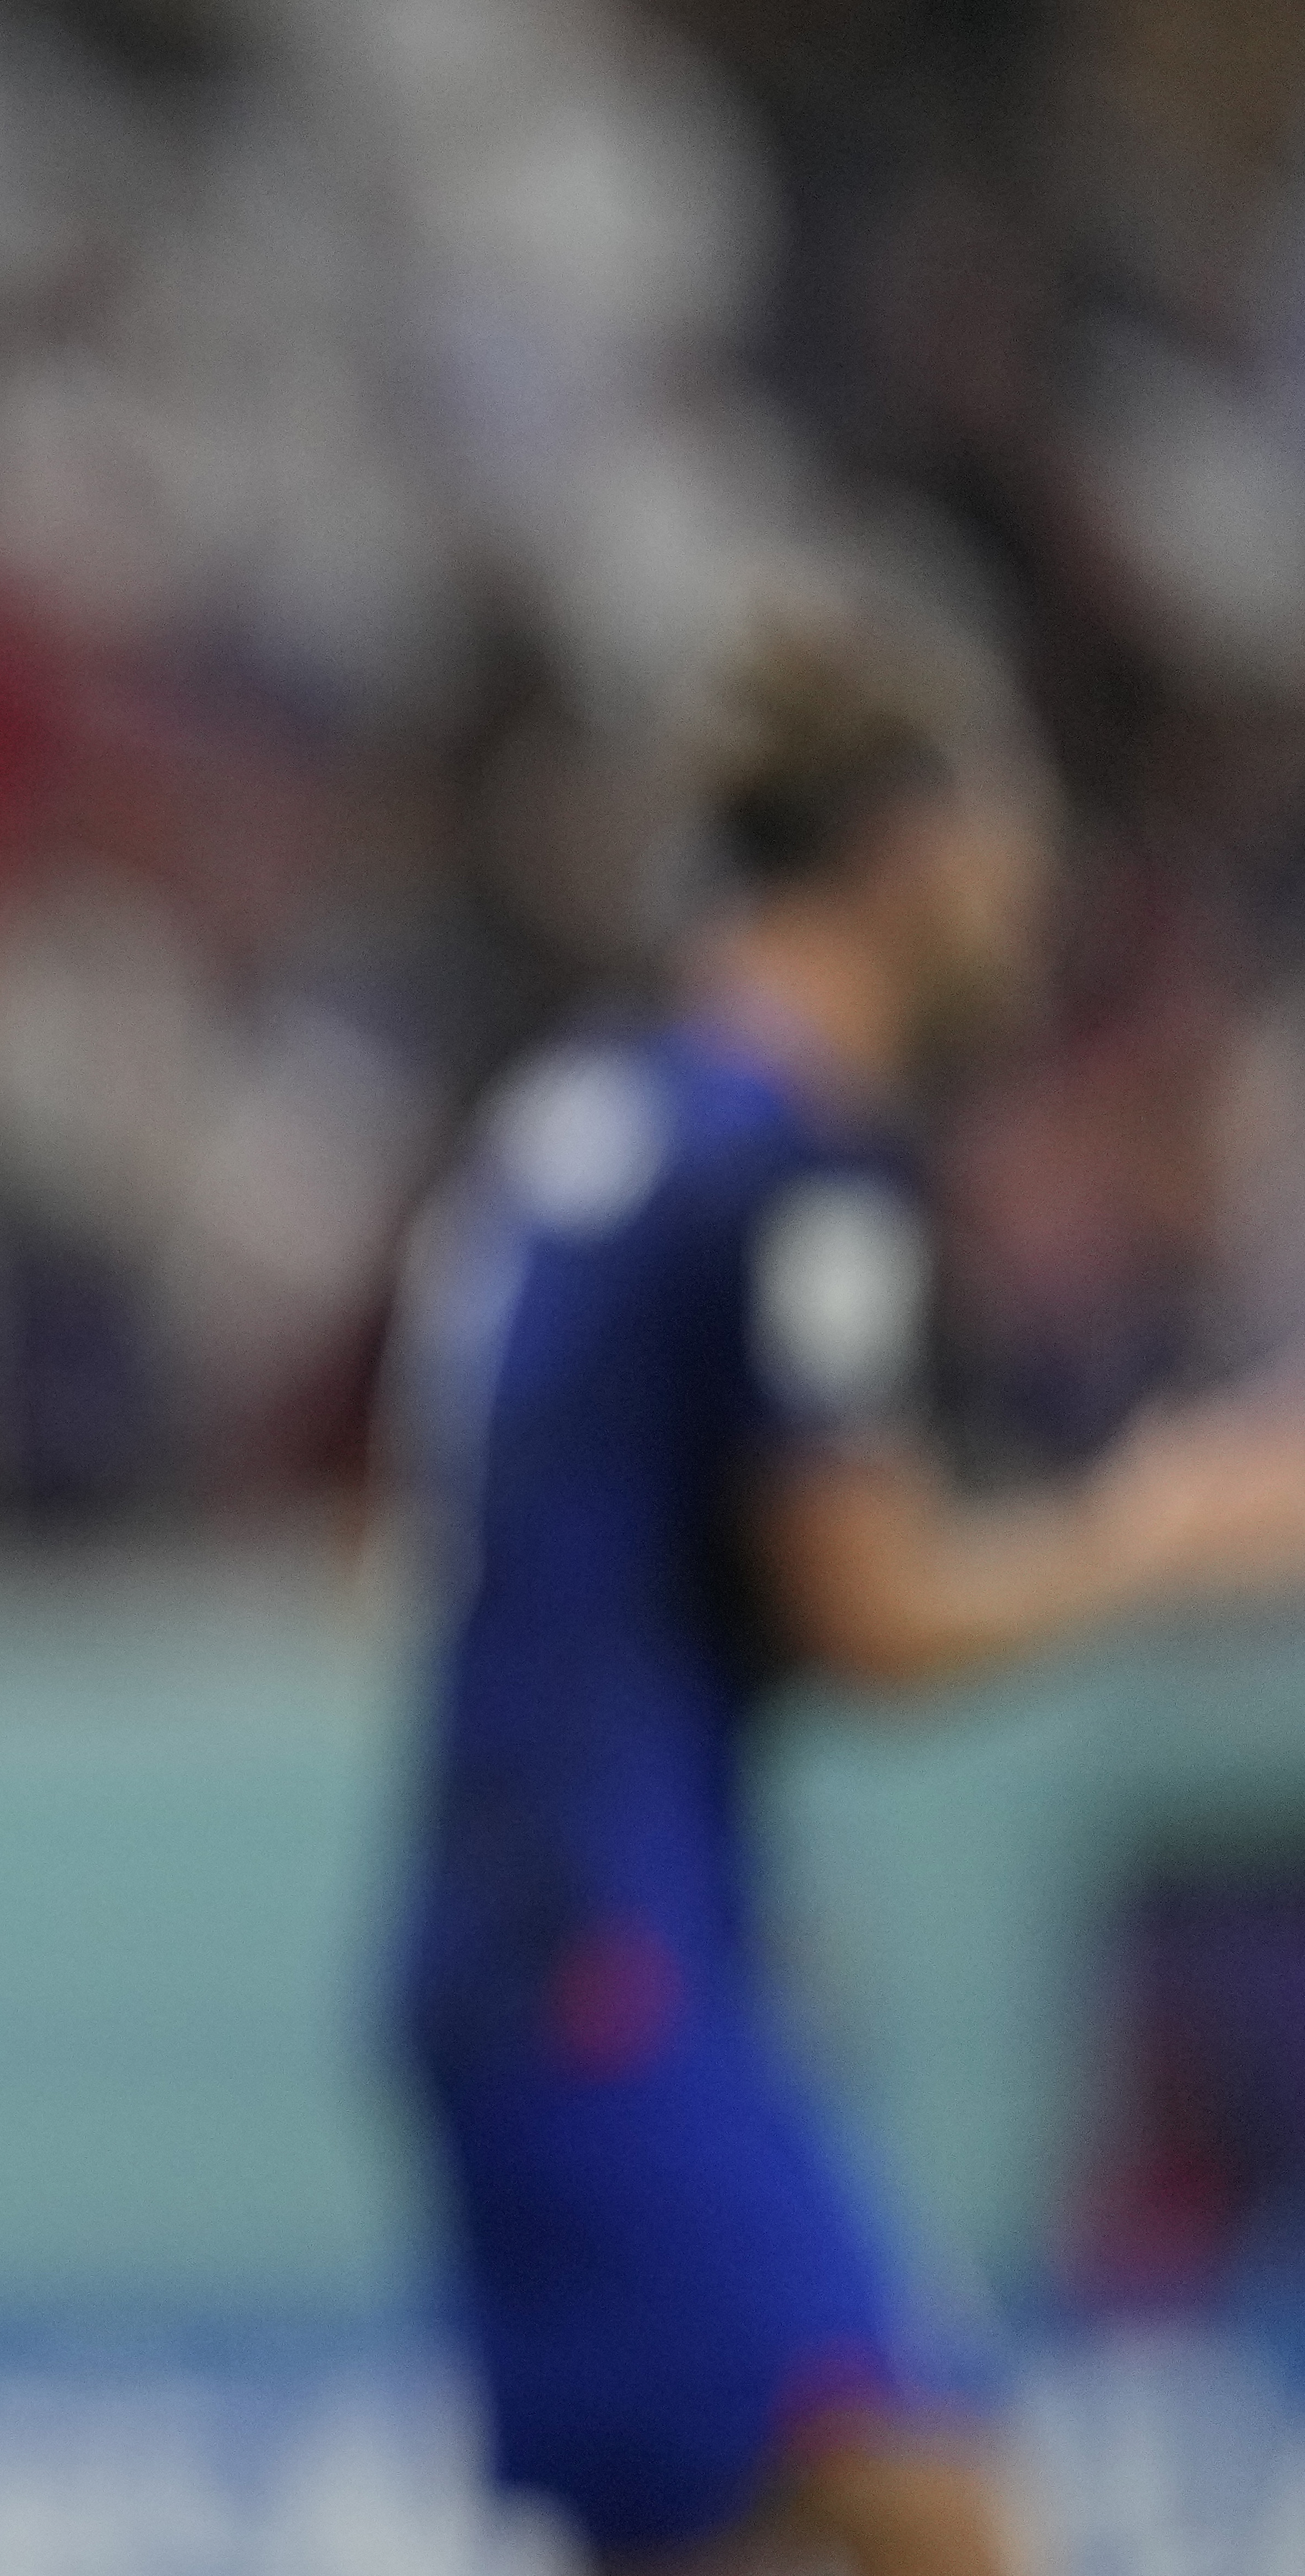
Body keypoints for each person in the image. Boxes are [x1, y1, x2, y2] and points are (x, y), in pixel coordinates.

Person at [391, 618, 1305, 2575]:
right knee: (939, 2519)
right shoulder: (791, 1164)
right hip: (603, 1970)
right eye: (1009, 825)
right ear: (906, 848)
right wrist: (1157, 1529)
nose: (1031, 884)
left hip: (542, 1943)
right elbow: (870, 1611)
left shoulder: (593, 1114)